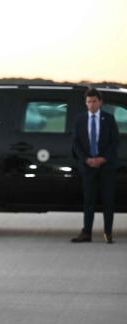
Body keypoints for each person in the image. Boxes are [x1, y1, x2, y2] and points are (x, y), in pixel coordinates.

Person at [71, 88, 120, 244]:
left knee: (108, 200)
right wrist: (86, 159)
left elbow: (115, 142)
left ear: (100, 102)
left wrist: (103, 158)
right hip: (88, 166)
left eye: (94, 101)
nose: (91, 105)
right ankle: (86, 232)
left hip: (106, 166)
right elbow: (76, 143)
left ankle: (108, 232)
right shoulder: (80, 119)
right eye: (88, 102)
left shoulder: (109, 119)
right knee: (89, 200)